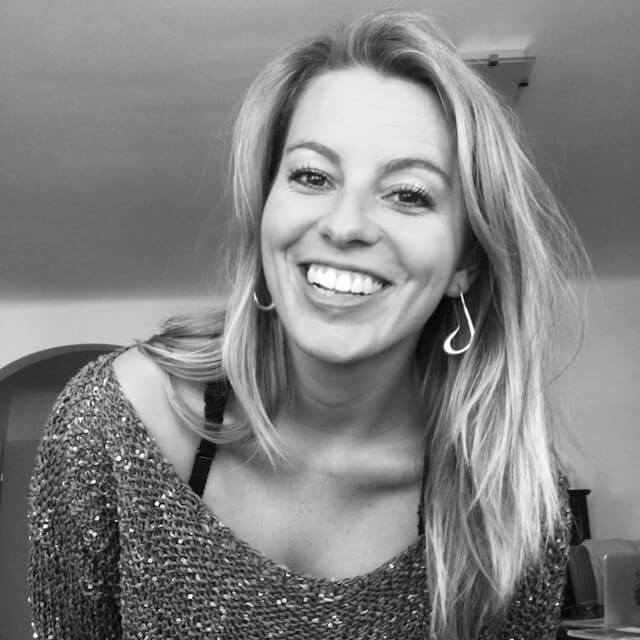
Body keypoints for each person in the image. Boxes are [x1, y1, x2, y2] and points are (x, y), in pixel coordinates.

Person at [28, 9, 589, 640]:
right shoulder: (111, 425)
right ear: (265, 211)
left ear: (465, 261)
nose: (345, 225)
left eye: (408, 193)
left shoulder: (515, 504)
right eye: (312, 176)